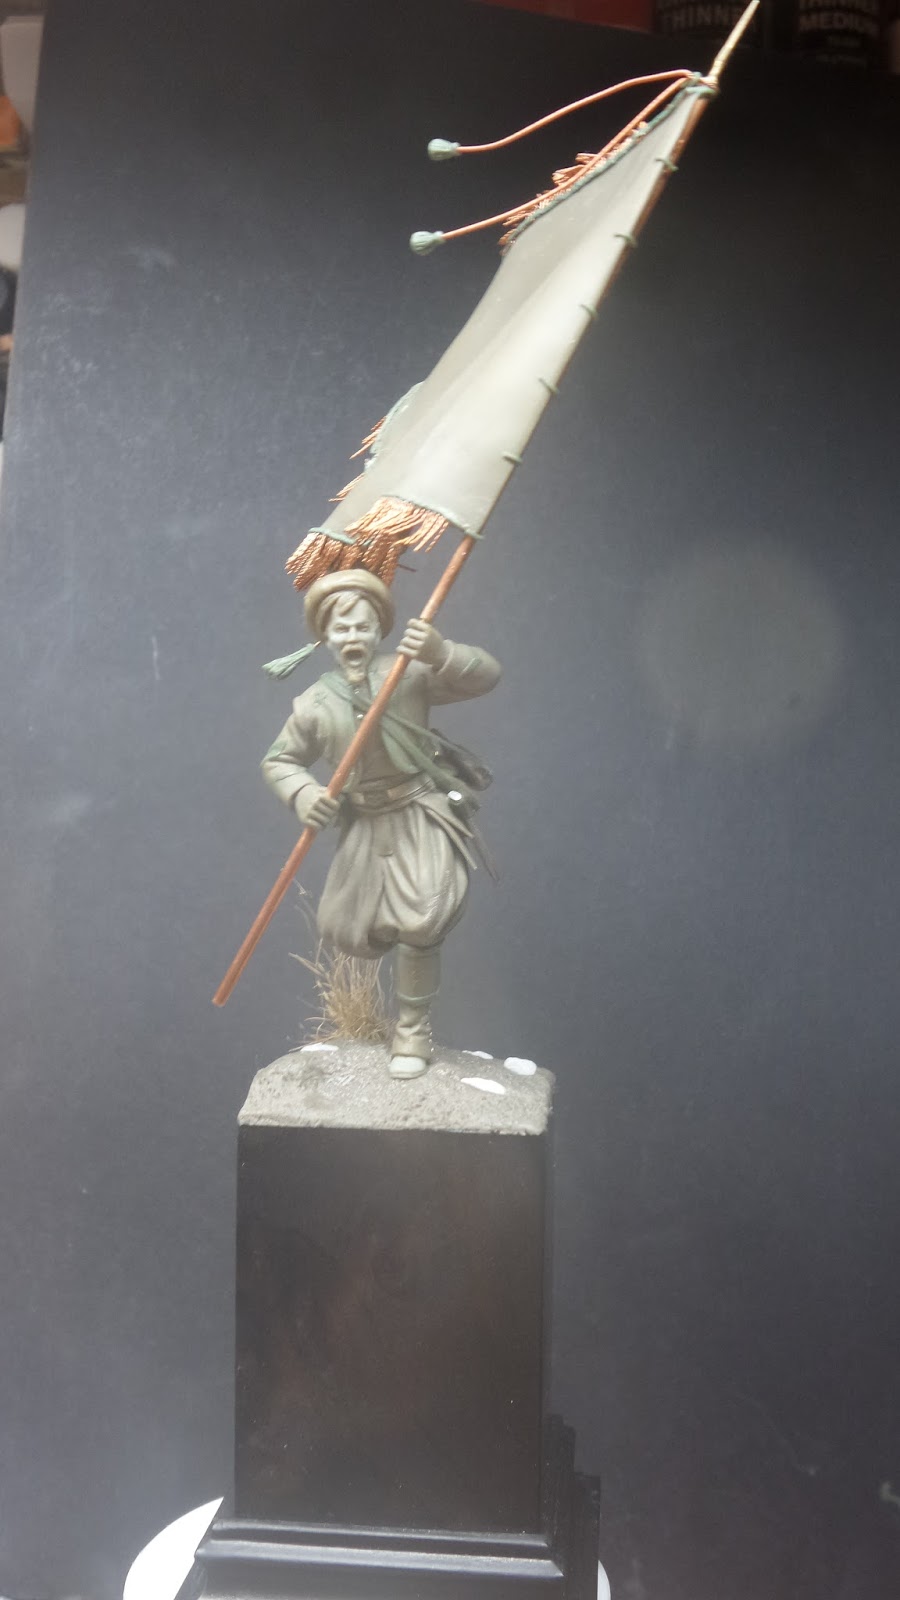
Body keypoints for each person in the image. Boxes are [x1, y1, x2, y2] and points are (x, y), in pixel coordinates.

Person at [262, 568, 501, 1079]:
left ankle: (412, 1029)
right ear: (325, 637)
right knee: (344, 929)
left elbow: (484, 676)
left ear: (378, 631)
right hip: (365, 826)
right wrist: (304, 794)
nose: (353, 637)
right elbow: (279, 760)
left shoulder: (408, 673)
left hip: (419, 813)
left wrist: (440, 651)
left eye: (362, 627)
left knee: (423, 919)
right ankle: (377, 1015)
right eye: (341, 628)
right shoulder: (314, 704)